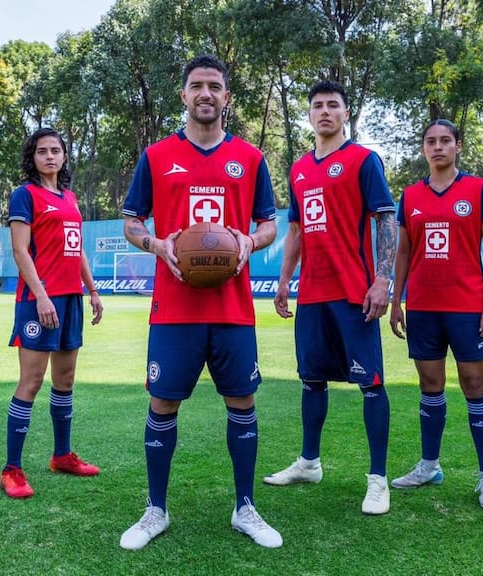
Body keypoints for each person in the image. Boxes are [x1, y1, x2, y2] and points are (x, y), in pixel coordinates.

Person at [119, 55, 282, 551]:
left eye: (215, 86)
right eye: (197, 86)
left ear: (226, 97)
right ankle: (155, 509)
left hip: (233, 308)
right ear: (184, 95)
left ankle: (246, 508)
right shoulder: (156, 156)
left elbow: (270, 224)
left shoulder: (251, 158)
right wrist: (158, 245)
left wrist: (249, 244)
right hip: (174, 309)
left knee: (243, 401)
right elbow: (131, 221)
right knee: (163, 401)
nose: (206, 93)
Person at [266, 80, 397, 515]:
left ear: (345, 113)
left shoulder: (363, 160)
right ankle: (309, 462)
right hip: (314, 294)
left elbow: (385, 219)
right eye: (318, 106)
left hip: (354, 292)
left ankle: (378, 480)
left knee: (370, 383)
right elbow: (298, 231)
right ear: (309, 115)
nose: (325, 112)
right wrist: (285, 280)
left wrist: (383, 280)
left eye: (333, 105)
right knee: (311, 378)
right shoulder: (299, 168)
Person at [389, 119, 483, 510]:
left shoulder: (478, 189)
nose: (437, 147)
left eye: (445, 141)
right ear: (423, 148)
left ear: (457, 146)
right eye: (430, 142)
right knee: (430, 384)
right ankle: (429, 466)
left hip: (469, 305)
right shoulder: (410, 195)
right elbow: (403, 251)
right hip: (422, 305)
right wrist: (396, 299)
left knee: (474, 383)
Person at [0, 127, 103, 499]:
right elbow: (20, 251)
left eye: (56, 150)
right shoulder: (24, 195)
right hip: (38, 300)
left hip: (70, 299)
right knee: (31, 382)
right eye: (42, 151)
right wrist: (41, 295)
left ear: (63, 156)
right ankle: (11, 469)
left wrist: (91, 289)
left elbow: (77, 251)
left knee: (66, 380)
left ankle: (61, 456)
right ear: (33, 157)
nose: (50, 156)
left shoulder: (71, 199)